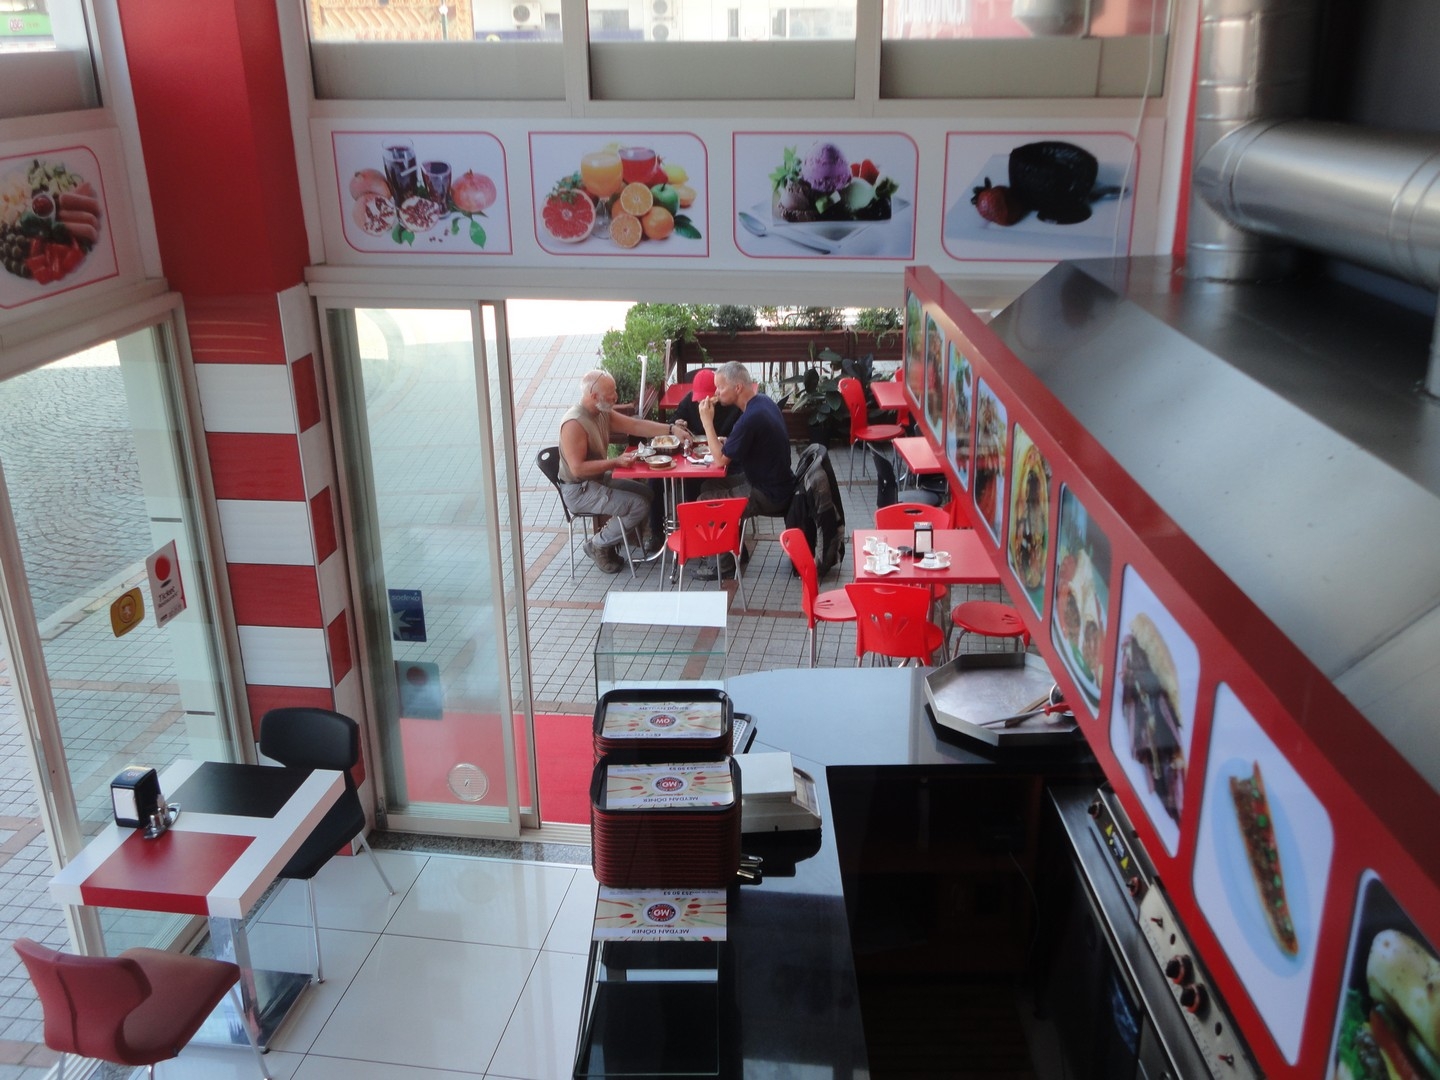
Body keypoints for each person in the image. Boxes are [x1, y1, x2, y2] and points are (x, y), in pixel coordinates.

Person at [558, 369, 690, 573]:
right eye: (611, 393)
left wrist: (671, 429)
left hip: (596, 480)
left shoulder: (601, 412)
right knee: (638, 505)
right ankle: (598, 544)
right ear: (594, 396)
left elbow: (635, 425)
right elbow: (578, 469)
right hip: (579, 490)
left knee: (647, 493)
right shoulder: (574, 424)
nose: (616, 397)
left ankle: (616, 540)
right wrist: (615, 462)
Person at [696, 361, 796, 577]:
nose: (716, 392)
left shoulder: (751, 417)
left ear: (738, 387)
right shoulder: (763, 402)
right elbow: (741, 443)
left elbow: (720, 461)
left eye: (720, 387)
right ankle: (736, 551)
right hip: (774, 481)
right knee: (709, 486)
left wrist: (707, 422)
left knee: (706, 502)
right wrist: (727, 441)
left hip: (769, 493)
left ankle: (724, 567)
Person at [646, 368, 741, 539]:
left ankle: (700, 532)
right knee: (655, 480)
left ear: (718, 392)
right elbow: (673, 421)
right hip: (692, 457)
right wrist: (677, 424)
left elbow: (736, 441)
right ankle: (656, 533)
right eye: (699, 398)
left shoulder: (731, 406)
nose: (703, 402)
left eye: (708, 397)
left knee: (695, 483)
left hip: (722, 461)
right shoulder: (689, 401)